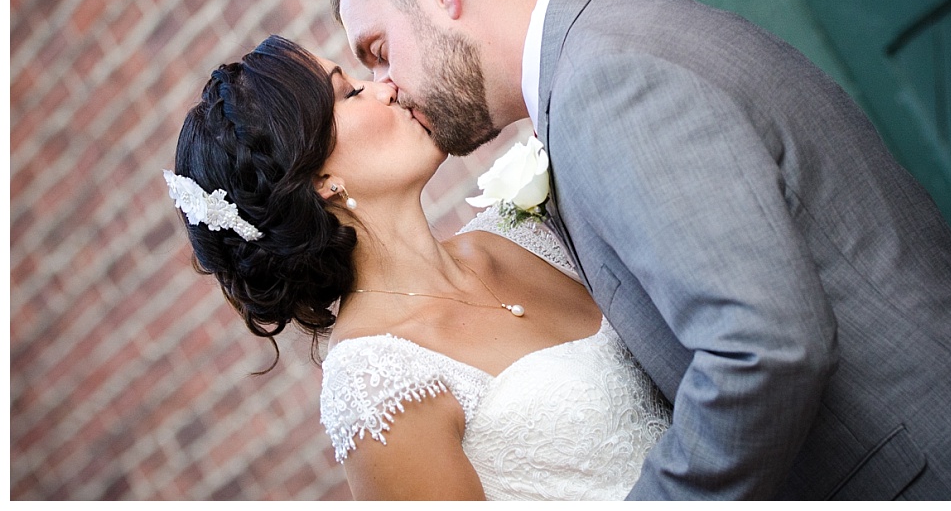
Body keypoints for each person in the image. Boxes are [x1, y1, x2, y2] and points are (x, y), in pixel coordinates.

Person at [328, 0, 951, 500]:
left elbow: (761, 348)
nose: (387, 86)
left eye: (379, 50)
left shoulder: (605, 84)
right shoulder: (613, 39)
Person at [164, 34, 672, 500]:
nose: (385, 87)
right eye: (350, 92)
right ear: (319, 178)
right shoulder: (377, 386)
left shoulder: (521, 231)